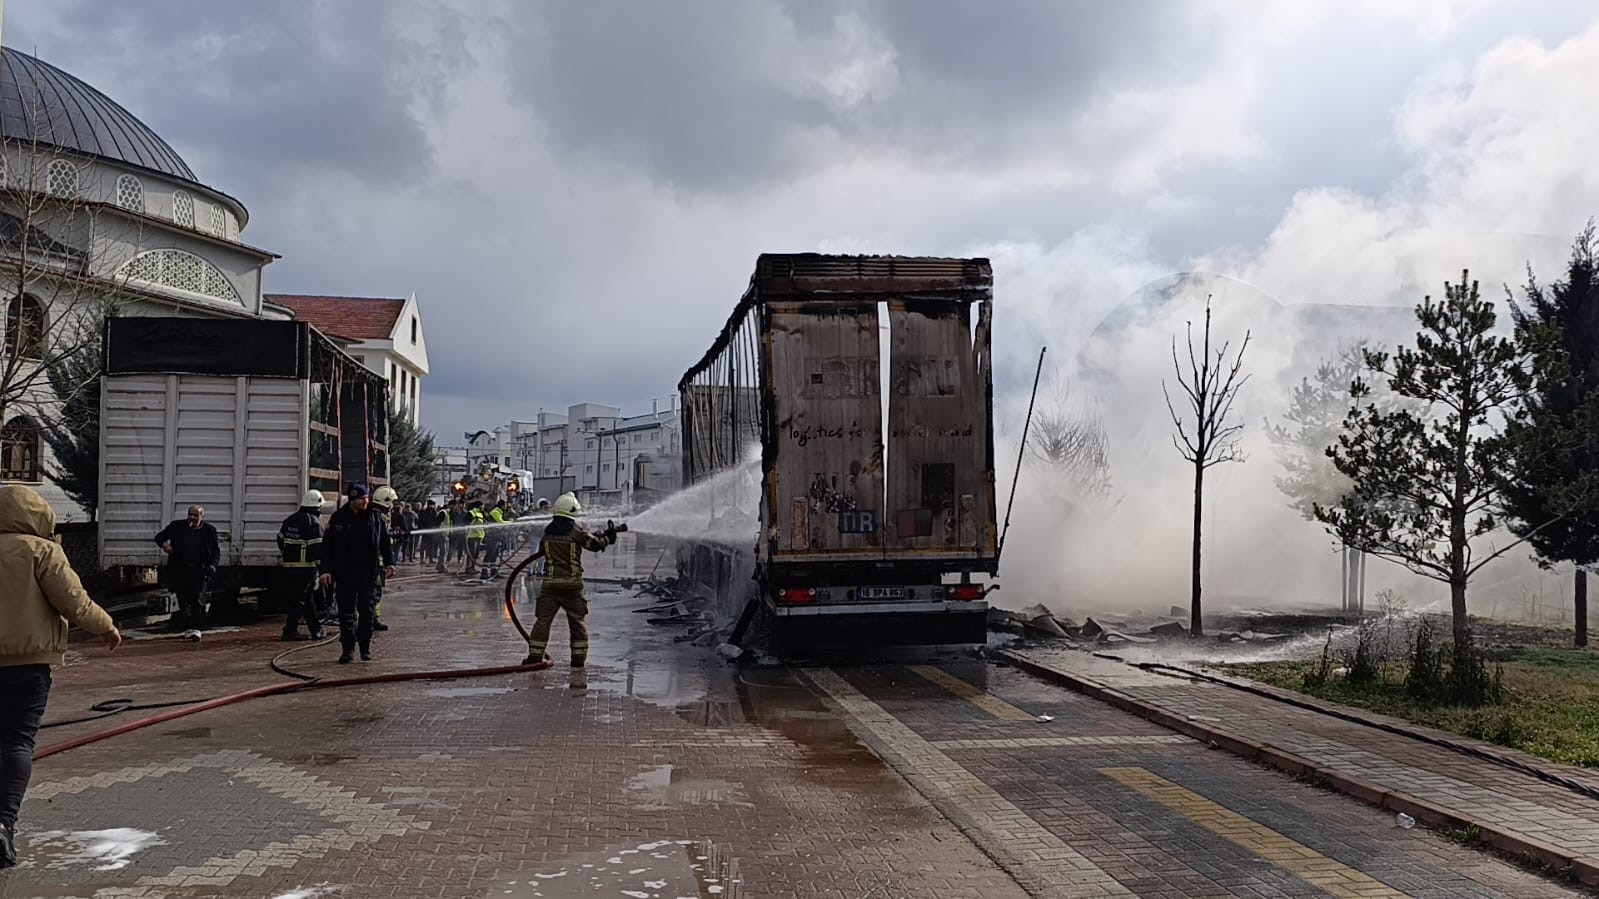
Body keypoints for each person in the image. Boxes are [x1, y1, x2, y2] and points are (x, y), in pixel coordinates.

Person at [0, 484, 121, 868]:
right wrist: (106, 626)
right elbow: (73, 600)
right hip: (28, 665)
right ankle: (2, 824)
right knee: (17, 743)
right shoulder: (42, 551)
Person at [522, 493, 618, 689]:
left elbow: (543, 551)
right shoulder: (576, 531)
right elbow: (595, 545)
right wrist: (608, 538)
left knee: (543, 621)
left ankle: (534, 656)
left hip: (550, 585)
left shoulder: (548, 532)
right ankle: (578, 660)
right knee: (577, 622)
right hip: (572, 586)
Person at [319, 484, 394, 664]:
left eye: (366, 498)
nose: (365, 501)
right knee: (346, 614)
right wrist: (325, 570)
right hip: (345, 574)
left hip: (367, 574)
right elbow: (327, 547)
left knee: (366, 612)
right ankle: (347, 650)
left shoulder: (375, 518)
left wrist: (390, 563)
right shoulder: (339, 518)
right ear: (353, 500)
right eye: (362, 499)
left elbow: (385, 542)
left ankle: (365, 648)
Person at [153, 505, 221, 631]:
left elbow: (215, 551)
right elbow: (159, 537)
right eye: (190, 515)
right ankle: (187, 626)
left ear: (202, 517)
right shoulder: (177, 526)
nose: (192, 518)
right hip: (181, 569)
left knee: (197, 599)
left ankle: (197, 627)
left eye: (196, 515)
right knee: (183, 599)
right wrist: (165, 545)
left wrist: (212, 566)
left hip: (199, 570)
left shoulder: (209, 530)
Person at [277, 490, 327, 641]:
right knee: (301, 600)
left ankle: (315, 629)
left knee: (305, 598)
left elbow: (280, 540)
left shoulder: (290, 520)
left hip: (289, 567)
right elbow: (317, 550)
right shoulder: (314, 523)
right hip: (305, 568)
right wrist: (323, 570)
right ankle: (290, 630)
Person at [369, 486, 400, 631]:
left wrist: (393, 535)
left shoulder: (373, 515)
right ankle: (370, 620)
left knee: (375, 592)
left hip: (374, 563)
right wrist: (390, 563)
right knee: (374, 593)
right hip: (375, 564)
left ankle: (373, 619)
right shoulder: (379, 517)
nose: (392, 506)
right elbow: (384, 544)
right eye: (391, 502)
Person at [464, 501, 486, 575]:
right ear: (479, 506)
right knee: (471, 553)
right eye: (482, 506)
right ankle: (469, 568)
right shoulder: (471, 513)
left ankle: (473, 567)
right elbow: (466, 522)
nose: (483, 507)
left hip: (479, 536)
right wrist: (473, 519)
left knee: (476, 554)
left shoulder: (480, 514)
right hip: (472, 536)